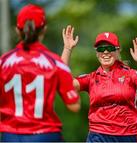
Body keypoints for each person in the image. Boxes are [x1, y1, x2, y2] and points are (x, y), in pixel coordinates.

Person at [61, 25, 137, 142]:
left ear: (117, 50)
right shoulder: (91, 78)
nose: (105, 52)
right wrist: (67, 49)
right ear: (96, 53)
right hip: (98, 136)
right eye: (100, 49)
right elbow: (63, 84)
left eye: (110, 48)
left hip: (127, 136)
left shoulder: (130, 74)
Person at [0, 4, 80, 142]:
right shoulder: (54, 62)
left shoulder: (3, 62)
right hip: (46, 136)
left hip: (11, 136)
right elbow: (74, 106)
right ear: (44, 30)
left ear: (18, 31)